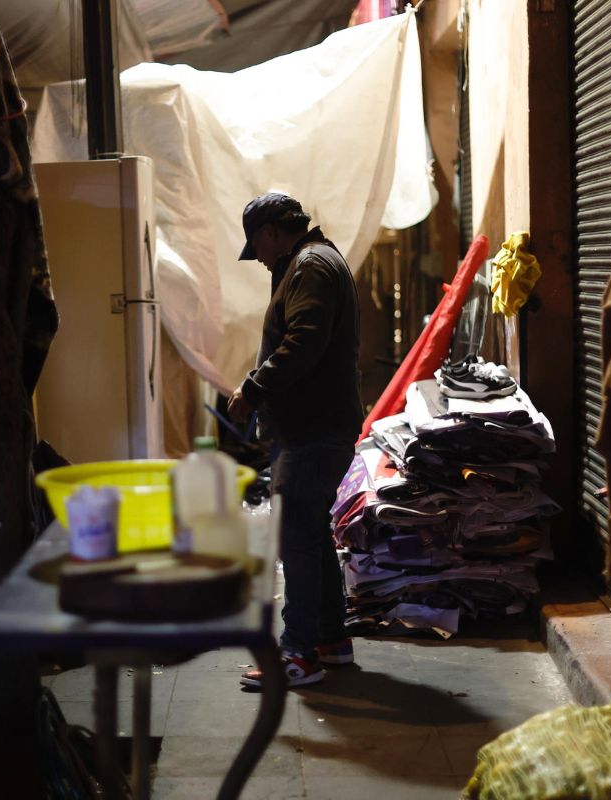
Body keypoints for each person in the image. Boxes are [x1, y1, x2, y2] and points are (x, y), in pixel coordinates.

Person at [227, 192, 364, 688]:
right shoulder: (316, 261)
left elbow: (302, 342)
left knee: (296, 534)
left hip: (314, 428)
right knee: (309, 529)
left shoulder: (309, 266)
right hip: (317, 425)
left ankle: (299, 654)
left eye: (256, 246)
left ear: (270, 232)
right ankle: (330, 639)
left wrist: (253, 388)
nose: (258, 257)